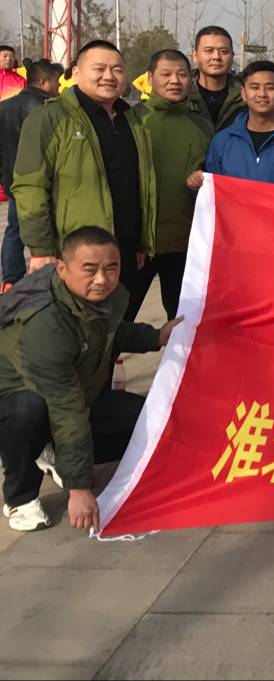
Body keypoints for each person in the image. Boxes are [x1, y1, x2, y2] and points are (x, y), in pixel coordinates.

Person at [0, 227, 182, 532]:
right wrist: (79, 488)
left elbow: (111, 332)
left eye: (111, 268)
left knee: (150, 422)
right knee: (29, 411)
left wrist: (157, 336)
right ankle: (20, 496)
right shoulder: (45, 321)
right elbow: (66, 407)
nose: (101, 279)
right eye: (90, 269)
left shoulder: (95, 297)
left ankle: (54, 451)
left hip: (76, 393)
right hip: (21, 399)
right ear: (62, 268)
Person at [12, 42, 155, 307]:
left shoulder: (132, 120)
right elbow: (30, 187)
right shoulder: (51, 118)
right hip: (78, 252)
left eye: (117, 69)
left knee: (118, 323)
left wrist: (141, 243)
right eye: (99, 69)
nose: (109, 76)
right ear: (76, 73)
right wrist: (41, 249)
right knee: (78, 326)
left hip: (124, 248)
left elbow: (140, 184)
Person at [129, 49, 213, 320]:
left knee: (182, 324)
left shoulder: (202, 127)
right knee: (118, 321)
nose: (174, 81)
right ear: (149, 78)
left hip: (183, 244)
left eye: (182, 75)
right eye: (166, 74)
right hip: (137, 244)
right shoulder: (130, 121)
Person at [0, 59, 60, 288]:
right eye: (55, 81)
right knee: (47, 227)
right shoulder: (46, 109)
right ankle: (49, 277)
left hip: (12, 178)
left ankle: (10, 280)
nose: (58, 86)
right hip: (40, 179)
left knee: (14, 230)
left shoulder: (5, 106)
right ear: (43, 81)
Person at [186, 26, 245, 130]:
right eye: (209, 51)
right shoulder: (182, 93)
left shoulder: (245, 96)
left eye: (224, 51)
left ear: (232, 56)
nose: (216, 57)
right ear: (195, 56)